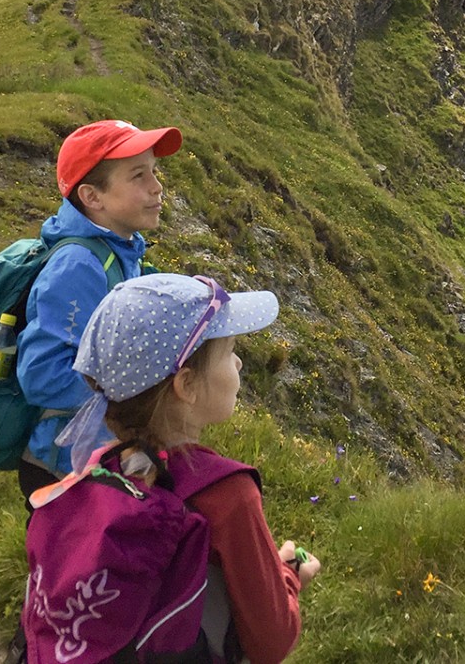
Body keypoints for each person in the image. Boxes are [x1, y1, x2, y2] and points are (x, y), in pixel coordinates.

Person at [26, 272, 321, 664]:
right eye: (229, 349)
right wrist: (288, 577)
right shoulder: (229, 495)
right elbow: (272, 641)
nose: (238, 361)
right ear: (186, 385)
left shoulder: (101, 466)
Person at [15, 118, 183, 504]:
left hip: (97, 452)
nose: (157, 187)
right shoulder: (79, 265)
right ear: (92, 197)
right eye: (138, 175)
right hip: (64, 465)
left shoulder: (120, 248)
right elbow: (42, 375)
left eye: (154, 172)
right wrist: (132, 397)